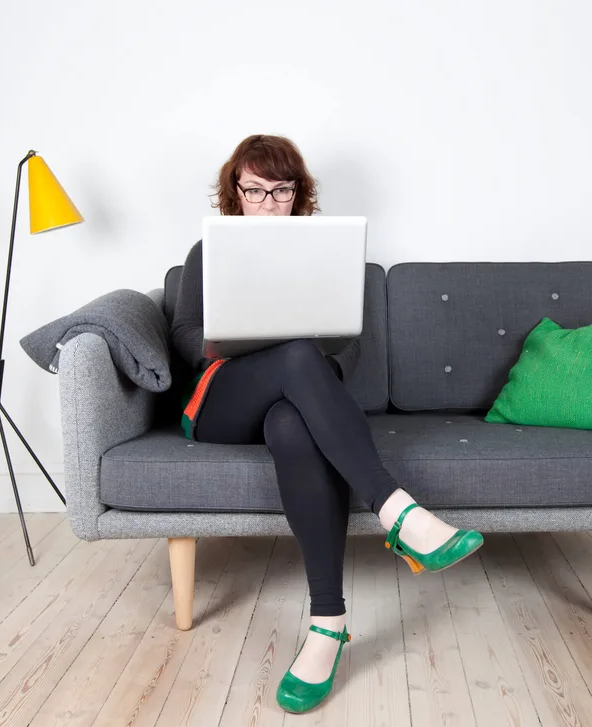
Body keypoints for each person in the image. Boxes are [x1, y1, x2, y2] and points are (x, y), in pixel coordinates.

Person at [170, 134, 484, 714]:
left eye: (281, 190)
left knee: (293, 422)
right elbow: (189, 341)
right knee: (294, 354)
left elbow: (346, 344)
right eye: (256, 190)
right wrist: (273, 342)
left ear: (299, 194)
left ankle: (326, 624)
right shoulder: (206, 252)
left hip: (290, 399)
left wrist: (311, 359)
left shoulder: (324, 253)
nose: (268, 203)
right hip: (219, 402)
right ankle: (398, 511)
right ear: (235, 194)